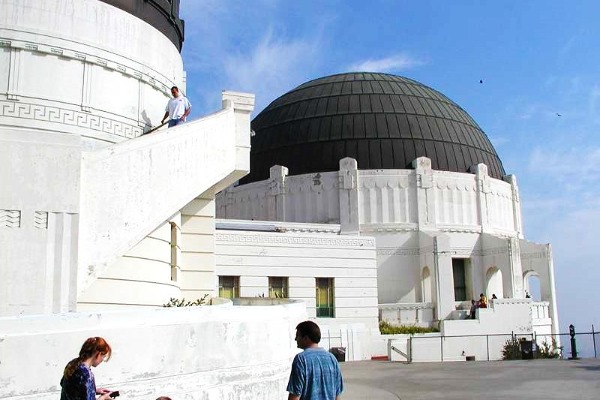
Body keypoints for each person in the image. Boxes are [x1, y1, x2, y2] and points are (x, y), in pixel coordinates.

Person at [287, 320, 343, 400]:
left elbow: (295, 396)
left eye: (298, 336)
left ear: (306, 338)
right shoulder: (332, 358)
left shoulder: (301, 359)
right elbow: (337, 395)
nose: (295, 339)